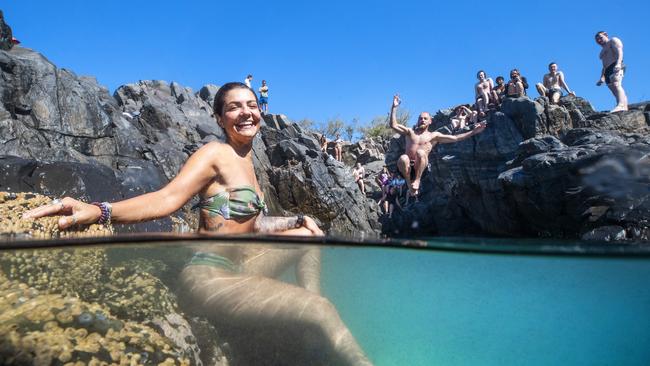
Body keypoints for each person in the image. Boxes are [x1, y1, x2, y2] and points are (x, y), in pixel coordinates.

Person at [23, 82, 372, 366]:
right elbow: (167, 199)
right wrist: (99, 211)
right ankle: (319, 319)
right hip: (209, 277)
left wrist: (296, 220)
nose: (246, 112)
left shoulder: (248, 165)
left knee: (309, 235)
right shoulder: (214, 154)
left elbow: (249, 225)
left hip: (239, 269)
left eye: (251, 105)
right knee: (321, 311)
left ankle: (311, 325)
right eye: (234, 107)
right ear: (220, 118)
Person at [389, 94, 487, 197]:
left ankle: (417, 180)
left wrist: (474, 132)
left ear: (430, 121)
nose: (422, 120)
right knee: (403, 158)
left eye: (425, 118)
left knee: (421, 152)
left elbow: (456, 138)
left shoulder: (433, 136)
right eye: (420, 118)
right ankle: (409, 184)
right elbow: (393, 125)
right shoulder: (410, 132)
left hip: (421, 165)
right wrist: (394, 107)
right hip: (406, 168)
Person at [595, 31, 628, 112]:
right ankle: (623, 106)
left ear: (606, 35)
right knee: (613, 89)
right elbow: (604, 65)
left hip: (615, 65)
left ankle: (621, 105)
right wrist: (602, 77)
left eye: (600, 38)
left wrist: (618, 64)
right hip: (607, 70)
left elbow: (620, 51)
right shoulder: (601, 52)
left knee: (617, 85)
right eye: (597, 40)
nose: (599, 40)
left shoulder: (613, 41)